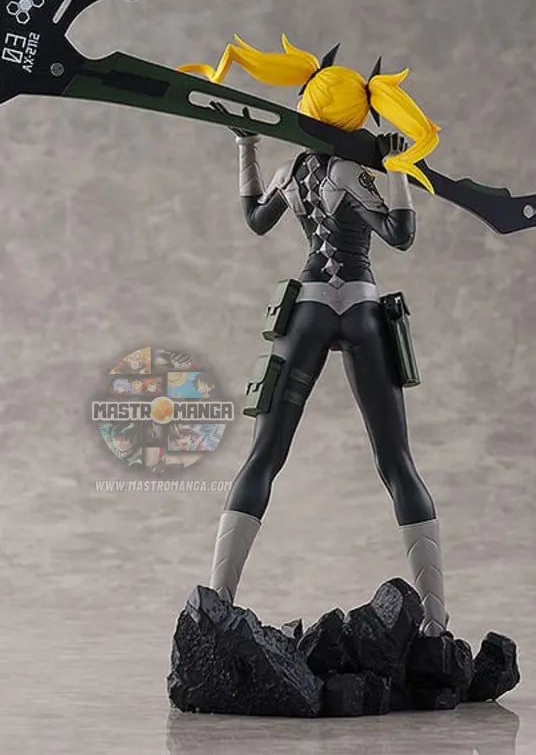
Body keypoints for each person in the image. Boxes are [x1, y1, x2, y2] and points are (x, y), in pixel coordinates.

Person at [179, 35, 449, 636]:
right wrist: (399, 171)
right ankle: (434, 621)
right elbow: (400, 235)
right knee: (396, 462)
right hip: (360, 304)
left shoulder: (292, 170)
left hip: (306, 306)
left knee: (263, 456)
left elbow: (256, 219)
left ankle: (217, 603)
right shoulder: (353, 171)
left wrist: (247, 147)